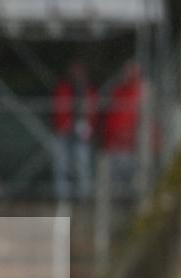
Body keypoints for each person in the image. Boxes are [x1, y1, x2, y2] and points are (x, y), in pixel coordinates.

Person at [51, 60, 97, 202]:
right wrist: (64, 124)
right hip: (64, 130)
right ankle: (62, 195)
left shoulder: (88, 89)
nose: (76, 75)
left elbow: (92, 112)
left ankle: (82, 195)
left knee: (81, 163)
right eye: (73, 72)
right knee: (62, 164)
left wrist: (88, 126)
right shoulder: (63, 88)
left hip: (81, 130)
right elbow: (58, 110)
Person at [102, 61, 142, 202]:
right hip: (114, 143)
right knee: (115, 183)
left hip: (129, 145)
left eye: (130, 73)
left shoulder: (140, 92)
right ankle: (117, 205)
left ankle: (130, 203)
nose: (125, 76)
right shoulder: (118, 92)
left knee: (131, 179)